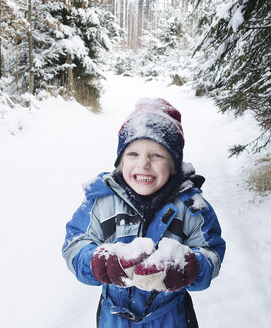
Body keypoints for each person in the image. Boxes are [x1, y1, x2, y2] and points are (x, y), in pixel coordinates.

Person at [62, 98, 226, 328]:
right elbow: (74, 244)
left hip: (170, 317)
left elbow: (212, 254)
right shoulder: (100, 201)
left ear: (174, 164)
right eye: (133, 154)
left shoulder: (192, 206)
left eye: (157, 155)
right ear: (120, 161)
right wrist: (102, 263)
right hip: (115, 318)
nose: (144, 164)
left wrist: (186, 266)